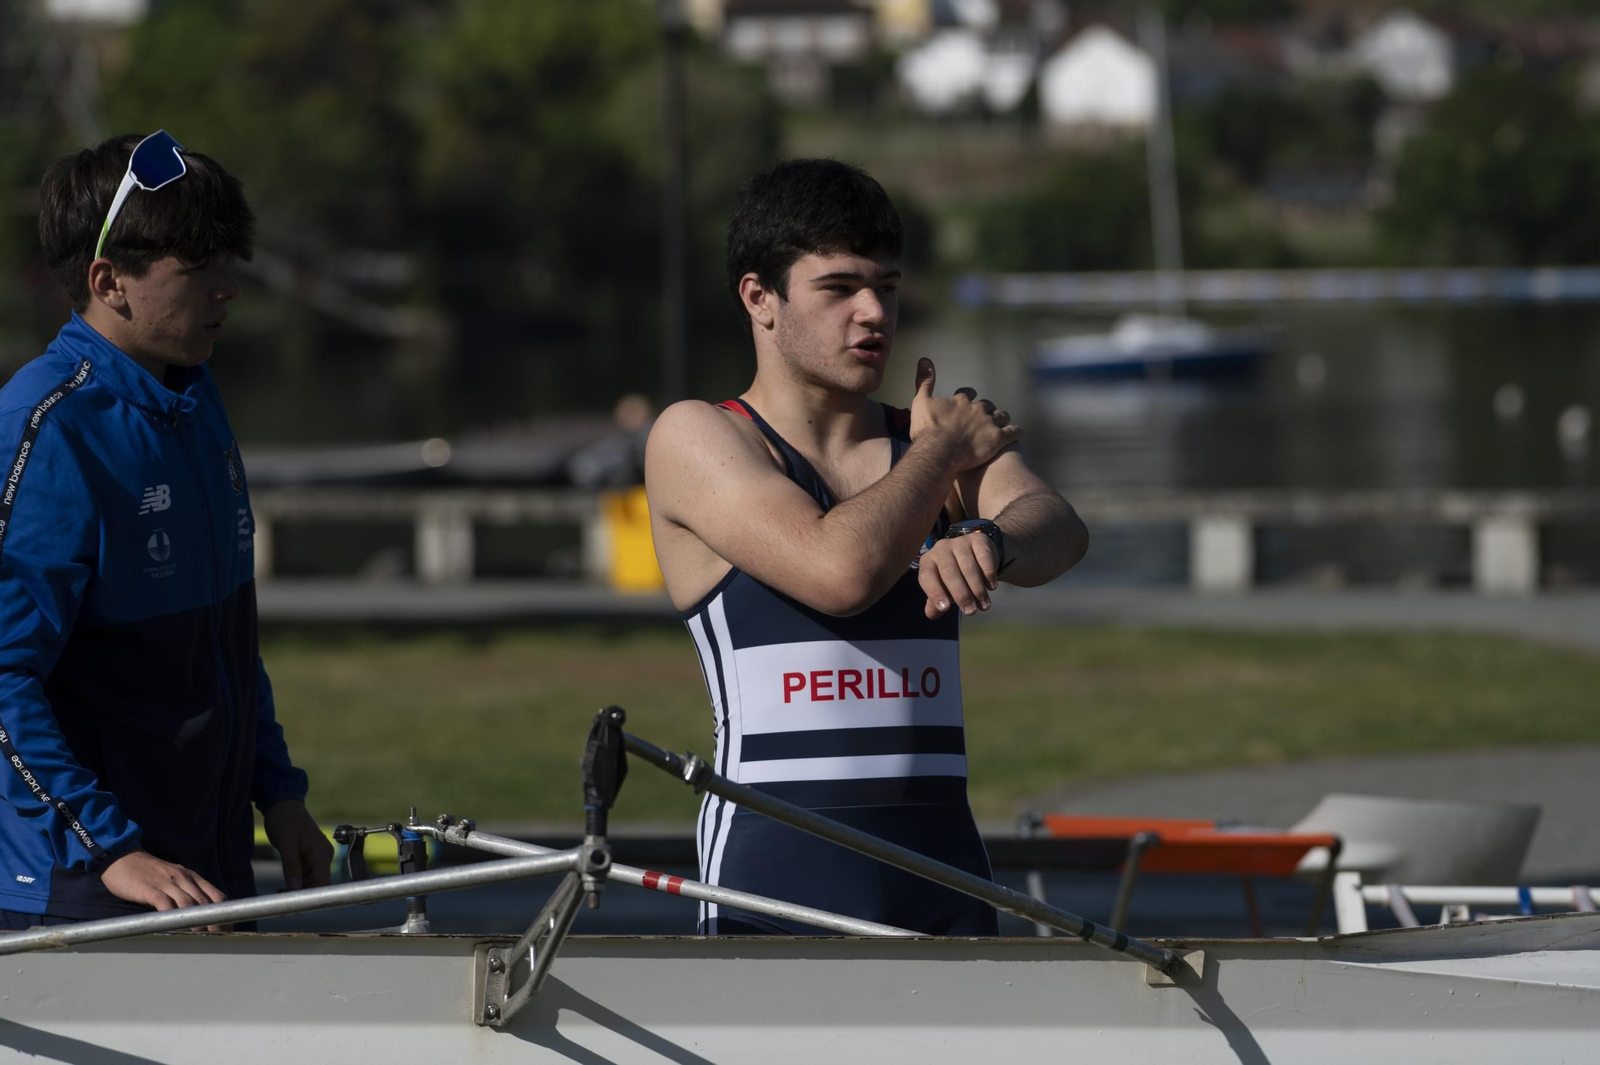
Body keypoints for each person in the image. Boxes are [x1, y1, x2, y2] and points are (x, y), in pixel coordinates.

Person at [645, 159, 1089, 934]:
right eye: (839, 287)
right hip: (775, 883)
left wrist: (990, 536)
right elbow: (838, 570)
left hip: (943, 874)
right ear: (760, 298)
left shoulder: (924, 446)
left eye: (884, 285)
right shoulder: (698, 435)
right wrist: (940, 455)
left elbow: (1057, 524)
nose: (873, 311)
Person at [0, 131, 332, 929]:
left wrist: (277, 791)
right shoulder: (47, 426)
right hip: (83, 894)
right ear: (108, 281)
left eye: (229, 264)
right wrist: (113, 851)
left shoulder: (194, 396)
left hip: (200, 873)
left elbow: (224, 642)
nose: (228, 290)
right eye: (198, 271)